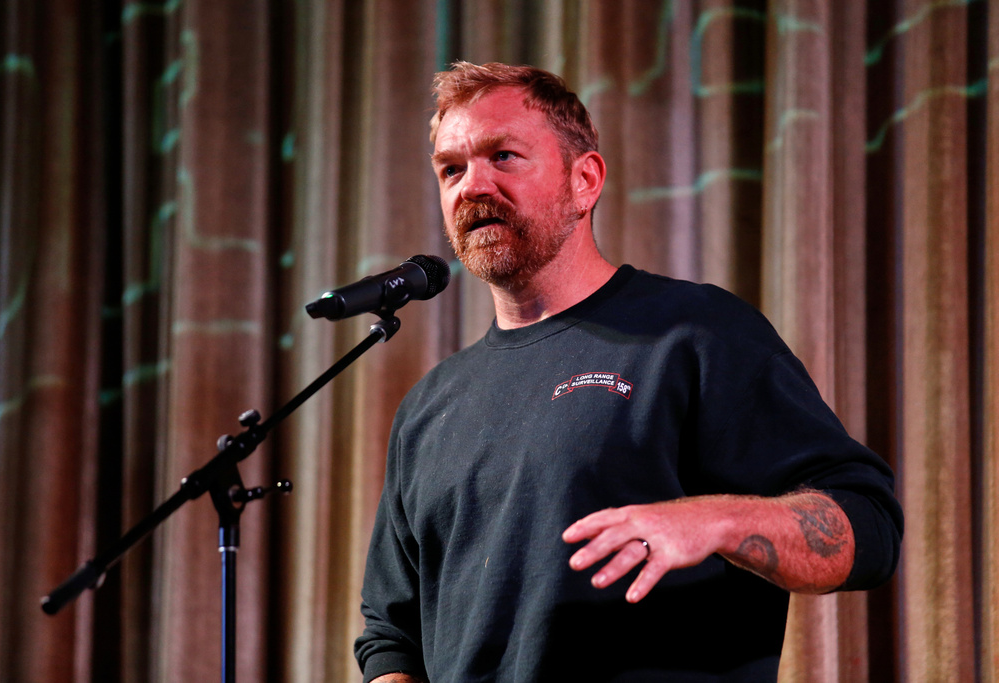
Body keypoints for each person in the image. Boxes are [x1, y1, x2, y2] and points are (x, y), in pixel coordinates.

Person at [354, 62, 902, 682]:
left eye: (504, 156)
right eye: (451, 168)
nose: (472, 185)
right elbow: (391, 633)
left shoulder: (694, 333)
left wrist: (711, 520)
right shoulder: (431, 406)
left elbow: (867, 527)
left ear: (584, 180)